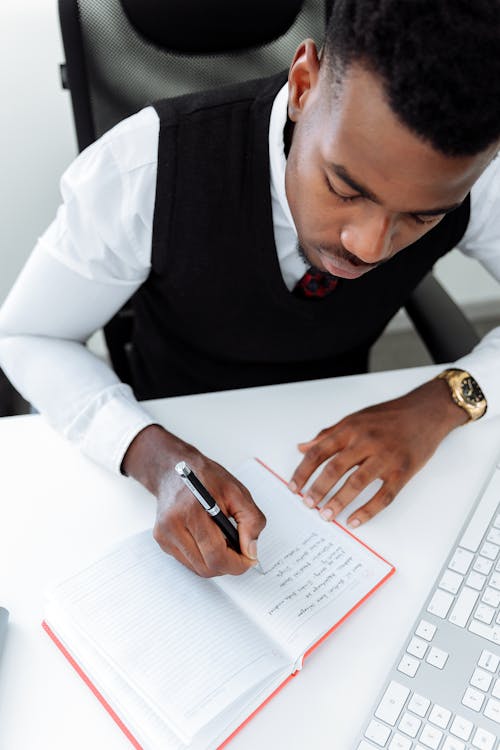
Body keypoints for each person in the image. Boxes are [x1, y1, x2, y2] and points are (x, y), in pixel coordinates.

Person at [1, 0, 499, 578]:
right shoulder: (145, 168)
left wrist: (442, 401)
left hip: (343, 426)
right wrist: (153, 457)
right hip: (176, 418)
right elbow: (28, 336)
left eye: (421, 217)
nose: (368, 246)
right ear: (303, 84)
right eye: (344, 188)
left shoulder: (475, 180)